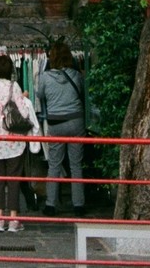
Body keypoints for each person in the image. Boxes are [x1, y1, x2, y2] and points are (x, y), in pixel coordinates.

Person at [0, 50, 41, 233]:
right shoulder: (14, 87)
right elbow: (23, 113)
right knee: (13, 180)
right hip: (13, 141)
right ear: (10, 70)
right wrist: (25, 99)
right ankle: (13, 220)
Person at [37, 40, 86, 216]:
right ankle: (78, 205)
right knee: (76, 164)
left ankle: (51, 204)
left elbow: (39, 94)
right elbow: (82, 91)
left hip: (56, 123)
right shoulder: (76, 75)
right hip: (76, 122)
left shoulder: (44, 77)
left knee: (54, 164)